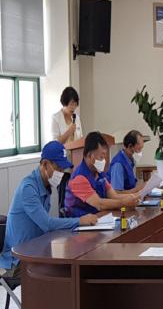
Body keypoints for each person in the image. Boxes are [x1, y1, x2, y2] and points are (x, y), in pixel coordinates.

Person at [0, 141, 97, 276]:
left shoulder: (45, 186)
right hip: (17, 261)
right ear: (45, 164)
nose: (61, 173)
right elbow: (47, 224)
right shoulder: (28, 188)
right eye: (58, 168)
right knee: (62, 274)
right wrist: (80, 221)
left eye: (63, 170)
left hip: (36, 252)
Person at [64, 132, 140, 217]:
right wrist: (124, 202)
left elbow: (113, 196)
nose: (104, 161)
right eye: (101, 157)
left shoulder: (99, 173)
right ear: (90, 156)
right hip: (80, 222)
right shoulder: (79, 178)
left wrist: (133, 197)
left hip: (98, 218)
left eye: (105, 157)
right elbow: (99, 204)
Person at [51, 87, 84, 212]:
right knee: (63, 201)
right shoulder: (56, 118)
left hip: (76, 164)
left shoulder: (77, 118)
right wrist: (69, 131)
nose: (73, 107)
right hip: (62, 167)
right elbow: (55, 144)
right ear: (64, 103)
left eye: (75, 104)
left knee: (75, 200)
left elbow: (81, 139)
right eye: (71, 104)